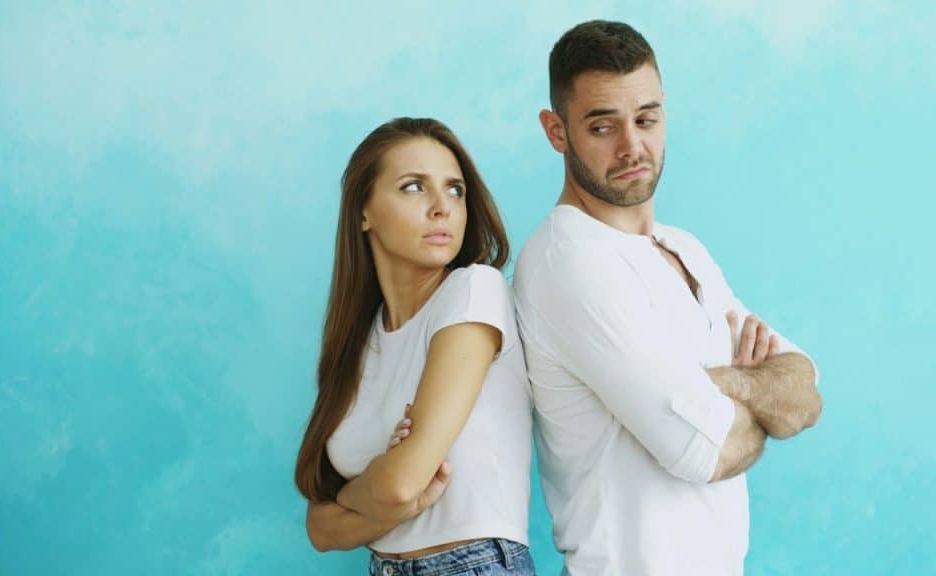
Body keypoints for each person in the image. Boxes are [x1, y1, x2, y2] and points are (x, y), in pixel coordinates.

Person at [513, 21, 823, 575]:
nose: (633, 146)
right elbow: (706, 452)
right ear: (556, 131)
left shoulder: (685, 248)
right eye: (603, 126)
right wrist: (756, 397)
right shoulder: (569, 260)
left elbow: (806, 394)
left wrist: (722, 386)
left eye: (647, 119)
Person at [295, 117, 536, 576]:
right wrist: (384, 488)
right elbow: (320, 530)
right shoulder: (359, 342)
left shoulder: (473, 291)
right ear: (363, 212)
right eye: (413, 187)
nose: (442, 207)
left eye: (455, 190)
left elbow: (402, 486)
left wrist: (359, 495)